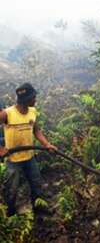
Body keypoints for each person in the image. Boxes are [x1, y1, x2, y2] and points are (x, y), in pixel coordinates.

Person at [0, 83, 57, 216]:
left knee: (36, 184)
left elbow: (36, 131)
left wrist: (47, 144)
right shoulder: (7, 114)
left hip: (29, 157)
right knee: (12, 189)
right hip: (12, 159)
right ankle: (11, 215)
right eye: (34, 97)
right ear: (26, 99)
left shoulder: (33, 111)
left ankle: (39, 210)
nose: (35, 100)